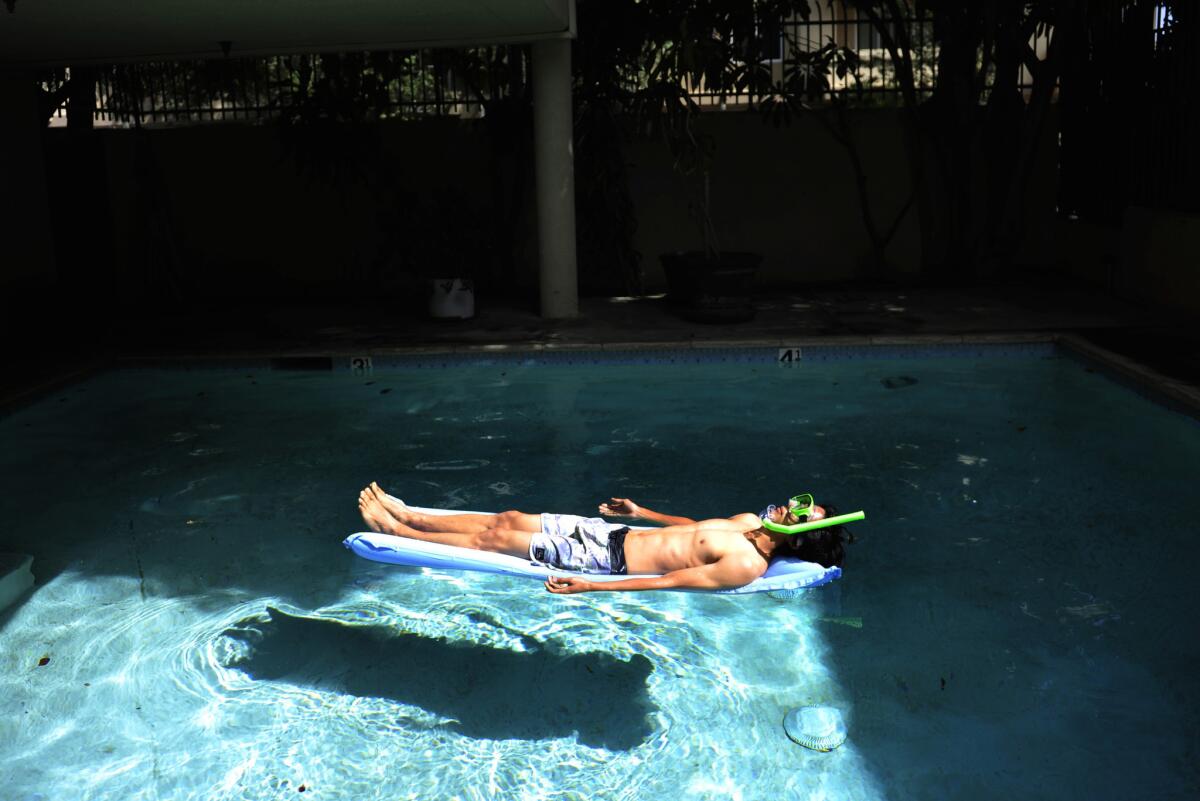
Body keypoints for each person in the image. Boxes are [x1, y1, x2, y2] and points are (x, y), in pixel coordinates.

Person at [357, 482, 853, 595]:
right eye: (802, 502)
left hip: (603, 562)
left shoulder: (747, 566)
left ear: (800, 537)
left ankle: (397, 531)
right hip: (611, 532)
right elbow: (692, 529)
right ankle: (414, 515)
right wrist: (642, 512)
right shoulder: (746, 520)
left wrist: (592, 588)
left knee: (495, 542)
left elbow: (671, 581)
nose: (794, 505)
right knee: (506, 517)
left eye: (804, 513)